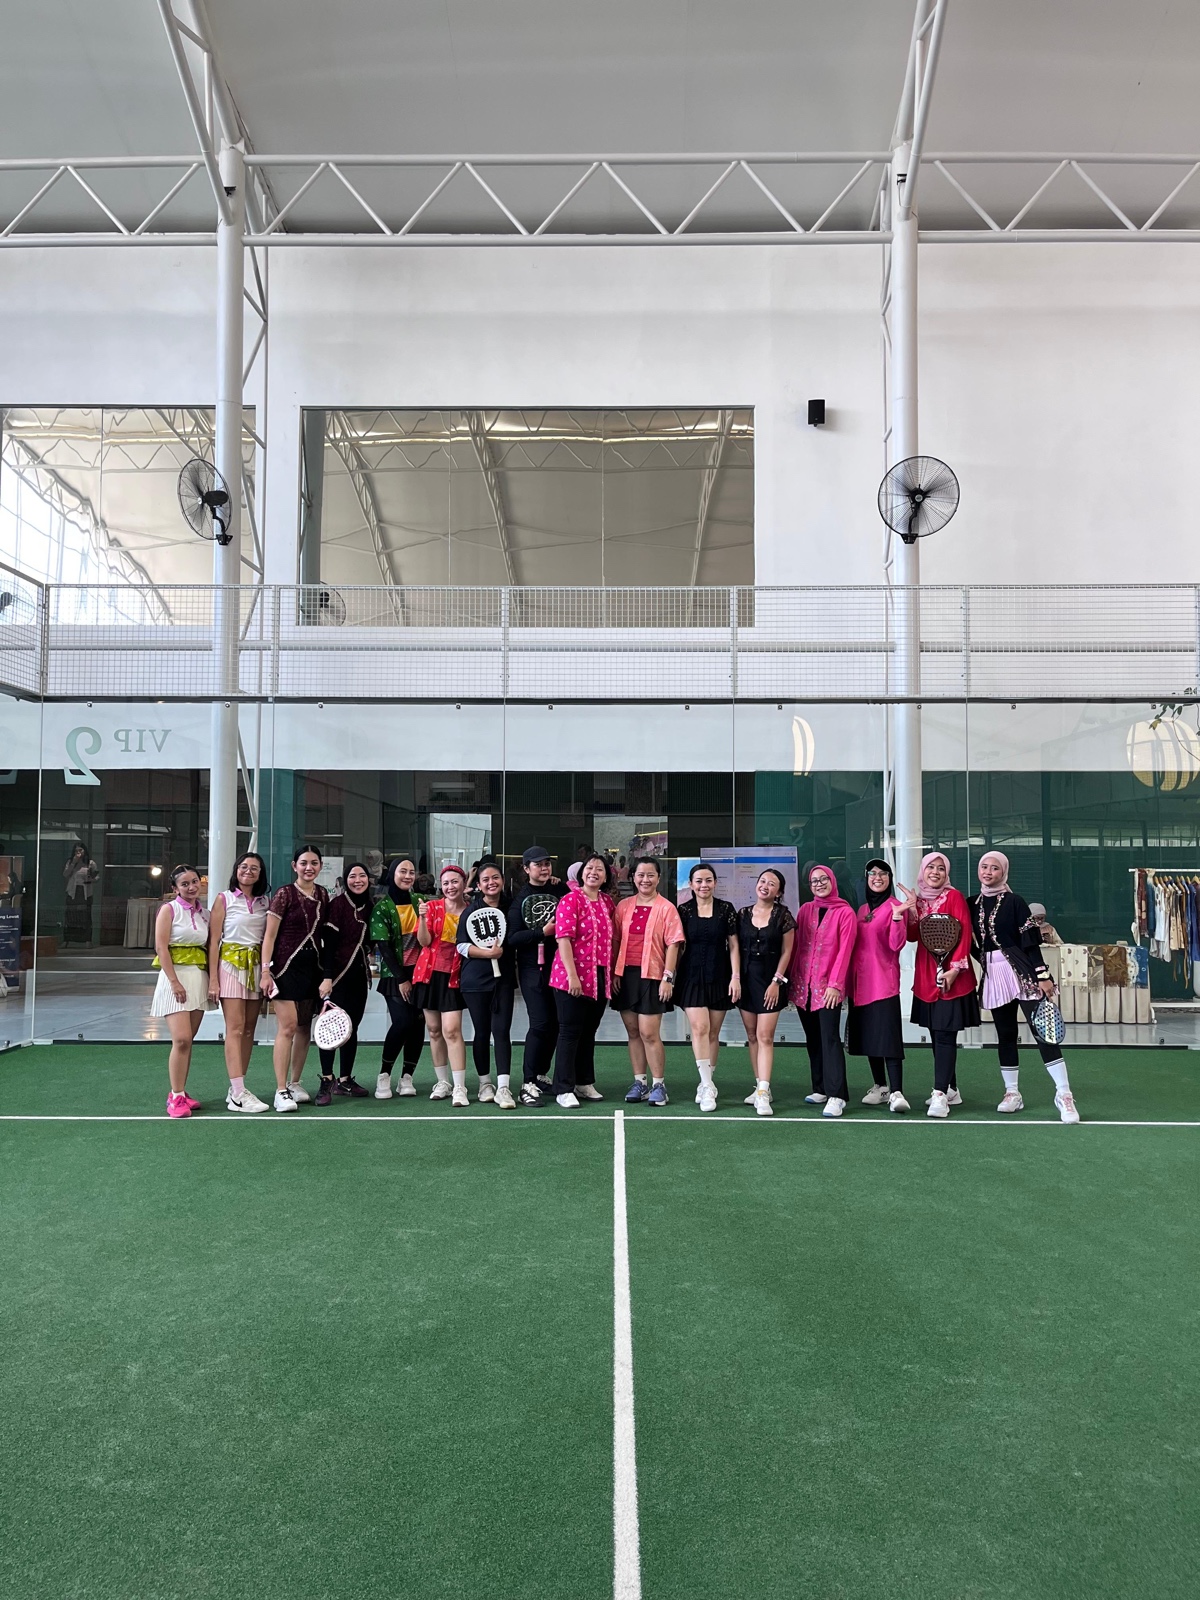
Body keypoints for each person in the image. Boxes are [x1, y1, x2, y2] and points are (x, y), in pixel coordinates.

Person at [971, 852, 1080, 1123]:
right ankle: (1012, 1093)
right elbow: (970, 941)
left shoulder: (1015, 901)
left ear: (1004, 872)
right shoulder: (971, 903)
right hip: (994, 975)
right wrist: (982, 958)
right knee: (1006, 1034)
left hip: (1023, 971)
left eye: (994, 868)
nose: (988, 872)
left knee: (1044, 1030)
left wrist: (1042, 975)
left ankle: (1064, 1094)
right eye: (984, 867)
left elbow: (1030, 941)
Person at [907, 852, 979, 1119]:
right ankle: (951, 1089)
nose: (935, 872)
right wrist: (911, 910)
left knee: (946, 1034)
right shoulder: (919, 900)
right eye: (930, 867)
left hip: (952, 976)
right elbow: (912, 936)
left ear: (946, 873)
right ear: (923, 870)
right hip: (927, 974)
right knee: (937, 1034)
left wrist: (954, 971)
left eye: (940, 868)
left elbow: (964, 935)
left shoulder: (954, 897)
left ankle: (939, 1095)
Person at [260, 844, 329, 1113]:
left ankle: (295, 1082)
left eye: (314, 863)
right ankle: (280, 1090)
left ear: (320, 866)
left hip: (312, 969)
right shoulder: (284, 894)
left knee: (303, 1028)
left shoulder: (323, 894)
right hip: (284, 968)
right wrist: (266, 971)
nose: (309, 868)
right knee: (287, 1027)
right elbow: (269, 936)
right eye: (303, 863)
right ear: (294, 866)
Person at [616, 858, 686, 1106]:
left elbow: (674, 944)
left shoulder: (667, 908)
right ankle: (640, 1083)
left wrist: (668, 977)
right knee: (633, 1031)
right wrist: (615, 973)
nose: (645, 880)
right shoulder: (623, 906)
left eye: (650, 875)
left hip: (654, 976)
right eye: (640, 875)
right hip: (626, 976)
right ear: (633, 877)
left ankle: (659, 1085)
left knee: (649, 1032)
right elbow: (616, 941)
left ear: (658, 878)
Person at [790, 864, 858, 1118]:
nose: (819, 884)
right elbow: (797, 946)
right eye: (814, 881)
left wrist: (835, 985)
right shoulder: (805, 910)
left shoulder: (845, 912)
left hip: (828, 987)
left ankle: (837, 1095)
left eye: (823, 879)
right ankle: (819, 1087)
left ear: (832, 881)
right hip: (803, 985)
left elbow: (845, 950)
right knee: (813, 1038)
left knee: (829, 1039)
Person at [206, 851, 271, 1114]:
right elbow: (213, 942)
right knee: (234, 1028)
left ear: (260, 873)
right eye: (243, 867)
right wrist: (213, 979)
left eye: (254, 868)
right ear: (236, 870)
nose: (248, 871)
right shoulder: (224, 898)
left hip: (255, 967)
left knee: (249, 1030)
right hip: (230, 966)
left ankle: (237, 1088)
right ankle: (238, 1093)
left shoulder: (266, 902)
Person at [550, 852, 616, 1108]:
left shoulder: (607, 902)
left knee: (589, 1031)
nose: (593, 873)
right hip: (572, 976)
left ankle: (583, 1081)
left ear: (606, 877)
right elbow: (563, 939)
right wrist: (572, 976)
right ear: (581, 873)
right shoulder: (570, 899)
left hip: (599, 975)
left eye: (599, 869)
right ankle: (563, 1087)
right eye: (589, 868)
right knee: (569, 1032)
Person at [675, 862, 740, 1112]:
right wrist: (669, 976)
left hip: (720, 975)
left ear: (715, 883)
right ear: (691, 884)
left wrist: (735, 977)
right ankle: (706, 1084)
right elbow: (676, 946)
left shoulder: (726, 909)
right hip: (691, 977)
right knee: (700, 1028)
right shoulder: (683, 910)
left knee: (713, 1033)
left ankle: (707, 1083)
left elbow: (733, 945)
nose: (704, 885)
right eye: (699, 881)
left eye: (708, 880)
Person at [847, 859, 910, 1113]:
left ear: (889, 878)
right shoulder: (862, 909)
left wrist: (897, 917)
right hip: (859, 984)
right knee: (870, 1037)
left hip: (883, 984)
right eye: (872, 873)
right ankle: (880, 1086)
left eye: (883, 873)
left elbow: (897, 945)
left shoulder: (896, 906)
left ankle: (897, 1092)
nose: (877, 877)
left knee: (889, 1039)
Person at [506, 846, 568, 1107]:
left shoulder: (559, 889)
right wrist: (542, 932)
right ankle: (527, 1082)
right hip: (532, 969)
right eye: (538, 864)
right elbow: (512, 938)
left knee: (555, 1024)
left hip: (560, 967)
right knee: (540, 1023)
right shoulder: (520, 898)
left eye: (547, 864)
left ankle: (541, 1074)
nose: (544, 868)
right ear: (526, 868)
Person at [152, 864, 211, 1118]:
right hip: (174, 978)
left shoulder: (205, 914)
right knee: (182, 1039)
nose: (191, 887)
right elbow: (161, 948)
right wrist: (174, 982)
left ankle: (181, 1092)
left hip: (198, 977)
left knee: (189, 1040)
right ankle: (175, 1097)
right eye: (184, 884)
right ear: (175, 888)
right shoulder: (169, 910)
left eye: (194, 881)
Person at [457, 863, 519, 1107]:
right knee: (481, 1032)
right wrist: (487, 953)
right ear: (479, 885)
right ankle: (485, 1084)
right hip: (475, 981)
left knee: (502, 1031)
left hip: (503, 981)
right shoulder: (471, 911)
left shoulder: (512, 907)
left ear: (502, 880)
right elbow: (462, 946)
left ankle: (504, 1087)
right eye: (486, 879)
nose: (491, 882)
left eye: (495, 878)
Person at [737, 869, 796, 1117]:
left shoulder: (784, 916)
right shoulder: (742, 914)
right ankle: (760, 1085)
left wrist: (776, 982)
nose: (765, 886)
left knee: (765, 1036)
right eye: (762, 881)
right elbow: (734, 948)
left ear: (779, 892)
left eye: (772, 884)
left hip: (771, 981)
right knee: (752, 1035)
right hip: (746, 980)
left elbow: (787, 952)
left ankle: (763, 1092)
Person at [315, 861, 373, 1105]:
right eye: (352, 876)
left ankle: (345, 1080)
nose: (358, 880)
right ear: (345, 880)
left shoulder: (370, 906)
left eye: (362, 875)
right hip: (336, 976)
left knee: (351, 1028)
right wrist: (327, 977)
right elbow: (328, 944)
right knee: (331, 1027)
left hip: (358, 976)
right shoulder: (338, 904)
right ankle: (327, 1080)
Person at [414, 863, 470, 1105]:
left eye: (455, 882)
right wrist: (422, 918)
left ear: (464, 883)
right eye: (446, 883)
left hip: (455, 975)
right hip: (428, 974)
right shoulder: (432, 907)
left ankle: (460, 1087)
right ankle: (443, 1082)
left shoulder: (471, 911)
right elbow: (424, 942)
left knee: (452, 1030)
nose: (450, 887)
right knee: (434, 1030)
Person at [370, 856, 426, 1098]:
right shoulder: (382, 908)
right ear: (392, 874)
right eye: (403, 871)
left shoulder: (420, 902)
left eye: (411, 872)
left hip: (421, 974)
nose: (408, 876)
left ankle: (407, 1077)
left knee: (418, 1024)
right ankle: (384, 1074)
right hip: (395, 975)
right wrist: (402, 979)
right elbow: (383, 948)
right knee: (402, 1022)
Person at [63, 843, 98, 946]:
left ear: (84, 851)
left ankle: (87, 940)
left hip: (85, 892)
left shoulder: (90, 863)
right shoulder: (70, 862)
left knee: (85, 916)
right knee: (70, 916)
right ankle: (67, 940)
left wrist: (91, 879)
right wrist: (74, 862)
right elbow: (65, 874)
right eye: (76, 851)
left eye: (80, 850)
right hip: (73, 891)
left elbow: (97, 876)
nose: (78, 853)